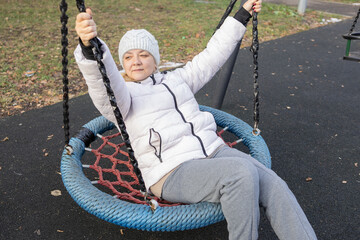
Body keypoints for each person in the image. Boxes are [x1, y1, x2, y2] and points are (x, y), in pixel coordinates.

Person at [74, 1, 317, 239]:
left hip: (213, 152)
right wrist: (89, 48)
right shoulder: (123, 98)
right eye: (128, 57)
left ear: (156, 60)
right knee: (240, 173)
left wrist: (242, 14)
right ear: (122, 65)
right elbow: (103, 84)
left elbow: (213, 55)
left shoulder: (178, 79)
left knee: (274, 185)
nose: (136, 61)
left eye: (143, 54)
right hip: (170, 170)